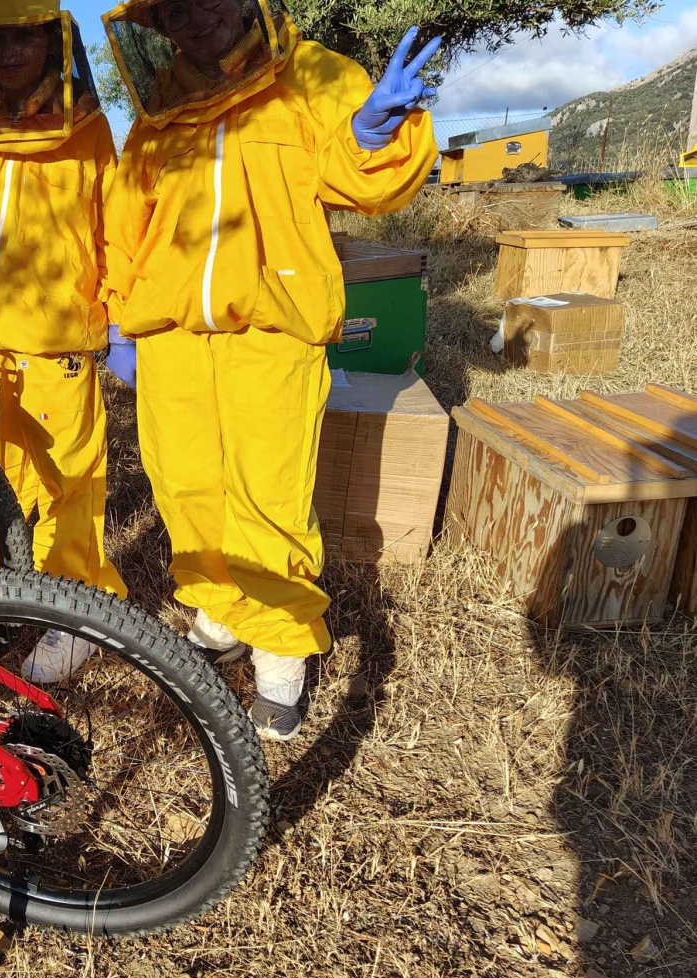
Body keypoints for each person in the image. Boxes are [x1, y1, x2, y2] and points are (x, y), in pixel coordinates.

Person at [100, 0, 440, 738]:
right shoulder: (159, 111)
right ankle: (221, 608)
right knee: (187, 484)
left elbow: (360, 179)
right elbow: (125, 222)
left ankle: (280, 652)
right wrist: (117, 319)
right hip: (171, 335)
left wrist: (369, 131)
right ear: (157, 28)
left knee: (269, 491)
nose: (198, 17)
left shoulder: (308, 76)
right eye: (176, 10)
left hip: (272, 325)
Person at [0, 0, 125, 682]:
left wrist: (121, 319)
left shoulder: (89, 129)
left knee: (71, 483)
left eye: (21, 38)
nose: (7, 52)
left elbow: (113, 229)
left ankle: (76, 613)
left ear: (50, 42)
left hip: (57, 341)